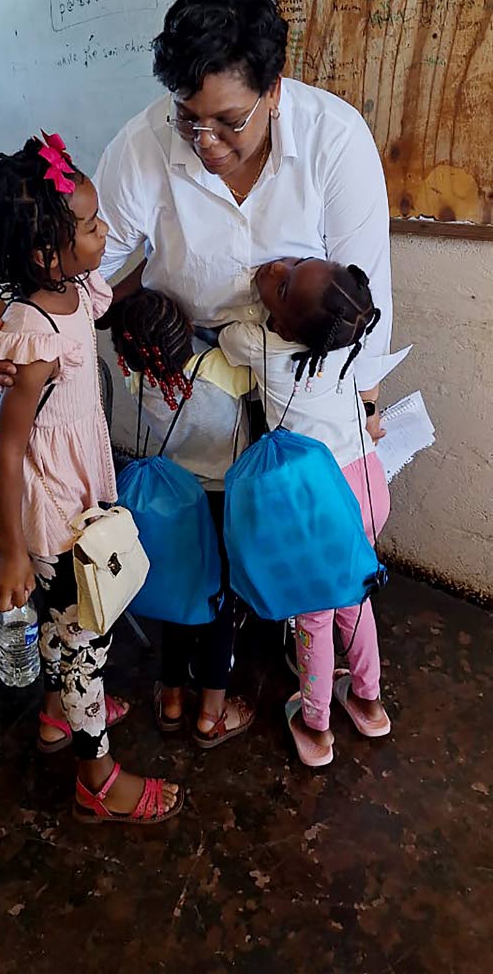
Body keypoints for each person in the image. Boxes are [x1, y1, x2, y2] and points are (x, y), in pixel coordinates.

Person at [0, 0, 393, 739]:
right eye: (188, 119)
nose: (205, 143)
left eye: (228, 121)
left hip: (304, 387)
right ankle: (198, 681)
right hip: (188, 377)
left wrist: (356, 397)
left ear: (275, 87)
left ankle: (305, 650)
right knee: (201, 539)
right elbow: (78, 274)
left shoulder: (336, 141)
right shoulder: (140, 148)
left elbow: (359, 304)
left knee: (300, 534)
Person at [0, 135, 182, 824]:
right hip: (48, 510)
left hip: (80, 484)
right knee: (83, 639)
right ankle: (97, 775)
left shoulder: (74, 290)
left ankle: (59, 713)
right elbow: (9, 448)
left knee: (85, 615)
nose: (105, 232)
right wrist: (12, 552)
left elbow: (110, 293)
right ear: (46, 255)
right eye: (91, 227)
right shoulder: (30, 336)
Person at [219, 257, 394, 768]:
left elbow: (229, 335)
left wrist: (260, 296)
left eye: (286, 282)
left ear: (290, 322)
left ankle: (315, 724)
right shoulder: (344, 345)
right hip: (366, 487)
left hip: (320, 506)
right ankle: (368, 700)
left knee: (313, 617)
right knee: (356, 598)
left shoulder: (266, 348)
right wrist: (285, 298)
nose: (277, 266)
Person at [111, 289, 253, 747]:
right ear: (187, 331)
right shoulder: (225, 372)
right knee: (220, 607)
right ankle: (211, 713)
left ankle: (170, 699)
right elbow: (254, 366)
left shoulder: (142, 378)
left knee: (180, 603)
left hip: (175, 501)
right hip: (221, 501)